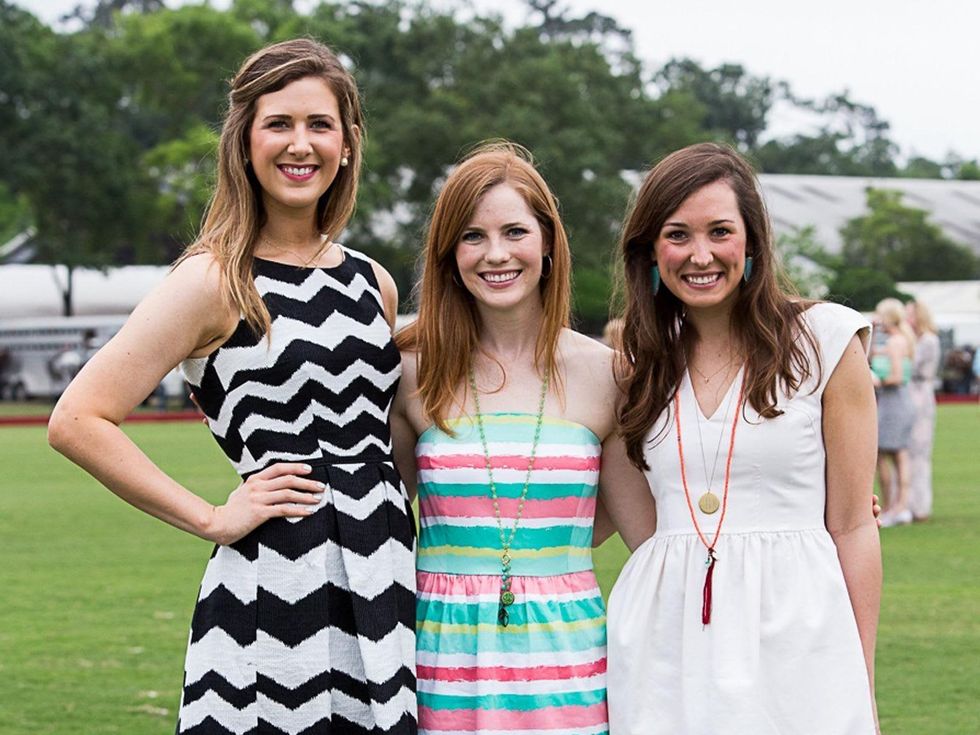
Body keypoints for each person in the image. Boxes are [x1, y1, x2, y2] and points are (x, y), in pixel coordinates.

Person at [47, 39, 417, 734]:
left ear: (348, 142)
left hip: (386, 578)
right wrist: (212, 517)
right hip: (276, 590)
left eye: (319, 124)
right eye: (278, 123)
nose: (299, 144)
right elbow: (78, 418)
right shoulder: (214, 280)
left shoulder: (374, 281)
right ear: (244, 141)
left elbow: (386, 436)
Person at [604, 142, 881, 733]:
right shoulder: (637, 363)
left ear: (752, 240)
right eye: (677, 234)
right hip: (666, 640)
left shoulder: (825, 340)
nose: (700, 255)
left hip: (801, 634)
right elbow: (630, 520)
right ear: (651, 250)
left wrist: (862, 681)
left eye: (720, 231)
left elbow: (854, 525)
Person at [390, 142, 653, 734]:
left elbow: (652, 535)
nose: (496, 254)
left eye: (515, 231)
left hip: (568, 665)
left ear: (549, 243)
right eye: (472, 236)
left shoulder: (606, 373)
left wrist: (798, 512)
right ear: (447, 252)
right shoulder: (410, 369)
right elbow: (374, 519)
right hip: (438, 660)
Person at [871, 297, 917, 526]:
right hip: (899, 402)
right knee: (899, 456)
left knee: (885, 455)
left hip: (893, 402)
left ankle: (893, 507)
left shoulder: (895, 342)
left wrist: (877, 381)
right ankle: (900, 506)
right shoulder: (900, 339)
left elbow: (896, 377)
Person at [906, 299, 941, 521]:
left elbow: (914, 364)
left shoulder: (928, 340)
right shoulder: (915, 339)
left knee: (919, 452)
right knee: (907, 453)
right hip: (910, 391)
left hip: (921, 393)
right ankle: (907, 503)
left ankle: (920, 506)